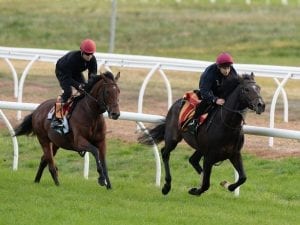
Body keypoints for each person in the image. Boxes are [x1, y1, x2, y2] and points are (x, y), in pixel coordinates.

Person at [51, 38, 98, 130]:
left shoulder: (93, 60)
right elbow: (68, 78)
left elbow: (92, 76)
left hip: (76, 72)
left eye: (91, 54)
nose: (89, 56)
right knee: (68, 92)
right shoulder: (72, 59)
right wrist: (78, 85)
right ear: (81, 51)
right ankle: (57, 118)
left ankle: (77, 113)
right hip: (63, 71)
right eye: (87, 54)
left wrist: (88, 86)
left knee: (85, 92)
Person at [187, 52, 238, 134]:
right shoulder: (209, 73)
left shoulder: (233, 72)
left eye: (228, 68)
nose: (227, 71)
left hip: (223, 91)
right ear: (219, 67)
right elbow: (204, 90)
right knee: (204, 103)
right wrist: (214, 99)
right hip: (209, 91)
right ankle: (194, 122)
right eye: (224, 68)